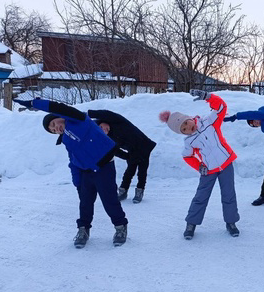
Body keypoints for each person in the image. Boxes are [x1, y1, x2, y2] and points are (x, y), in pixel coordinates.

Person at [13, 97, 128, 249]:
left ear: (60, 117)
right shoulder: (66, 140)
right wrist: (77, 182)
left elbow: (58, 107)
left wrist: (35, 103)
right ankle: (83, 230)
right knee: (85, 202)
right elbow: (73, 160)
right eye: (52, 130)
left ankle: (120, 227)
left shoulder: (79, 119)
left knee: (109, 199)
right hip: (86, 171)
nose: (56, 129)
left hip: (104, 167)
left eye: (54, 124)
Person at [159, 89, 240, 240]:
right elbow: (187, 156)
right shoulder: (189, 141)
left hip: (226, 163)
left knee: (228, 194)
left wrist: (208, 97)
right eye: (183, 130)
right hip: (208, 170)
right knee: (201, 196)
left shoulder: (209, 122)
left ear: (189, 118)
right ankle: (191, 224)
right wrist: (199, 166)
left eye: (186, 124)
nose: (187, 129)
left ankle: (231, 222)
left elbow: (221, 107)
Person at [88, 109, 156, 204]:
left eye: (101, 127)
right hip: (132, 151)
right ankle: (123, 191)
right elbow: (114, 150)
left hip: (144, 145)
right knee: (129, 171)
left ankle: (139, 192)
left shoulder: (116, 121)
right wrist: (127, 157)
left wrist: (90, 114)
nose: (104, 130)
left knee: (142, 171)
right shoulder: (108, 138)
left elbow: (107, 114)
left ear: (102, 121)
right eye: (101, 132)